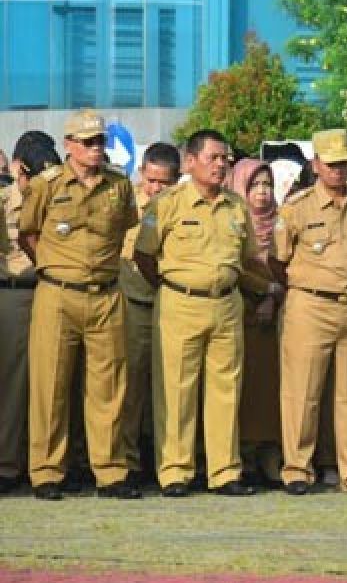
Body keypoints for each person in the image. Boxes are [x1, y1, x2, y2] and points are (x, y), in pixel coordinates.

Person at [18, 110, 140, 500]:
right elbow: (28, 235)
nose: (95, 149)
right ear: (68, 145)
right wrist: (56, 267)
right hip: (58, 294)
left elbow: (124, 229)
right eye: (87, 142)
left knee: (109, 388)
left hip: (105, 294)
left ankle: (110, 472)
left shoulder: (119, 187)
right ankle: (47, 472)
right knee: (50, 386)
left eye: (100, 141)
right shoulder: (47, 185)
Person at [133, 131, 260, 497]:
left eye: (226, 158)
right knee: (176, 389)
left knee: (226, 390)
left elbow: (249, 257)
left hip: (226, 303)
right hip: (180, 302)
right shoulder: (169, 204)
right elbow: (144, 255)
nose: (221, 165)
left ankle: (224, 472)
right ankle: (175, 471)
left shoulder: (236, 206)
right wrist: (172, 285)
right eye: (214, 157)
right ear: (190, 162)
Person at [270, 128, 347, 495]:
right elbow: (278, 260)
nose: (339, 171)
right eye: (332, 164)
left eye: (344, 164)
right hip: (310, 305)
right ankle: (297, 470)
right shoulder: (296, 208)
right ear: (316, 165)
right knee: (301, 392)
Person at [0, 133, 60, 494]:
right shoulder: (5, 200)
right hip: (16, 295)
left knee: (53, 385)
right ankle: (9, 464)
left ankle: (49, 463)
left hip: (54, 293)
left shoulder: (60, 198)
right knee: (14, 384)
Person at [118, 143, 181, 485]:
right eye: (151, 179)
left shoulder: (181, 207)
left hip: (172, 306)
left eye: (164, 182)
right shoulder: (125, 205)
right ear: (142, 172)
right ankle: (127, 462)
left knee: (171, 390)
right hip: (134, 304)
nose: (156, 188)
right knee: (131, 389)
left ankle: (167, 463)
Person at [228, 158, 286, 487]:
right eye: (254, 186)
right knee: (242, 388)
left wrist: (272, 297)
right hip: (238, 314)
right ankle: (243, 457)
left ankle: (270, 454)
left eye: (268, 185)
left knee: (271, 389)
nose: (262, 193)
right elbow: (231, 266)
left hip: (277, 318)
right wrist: (264, 289)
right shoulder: (232, 219)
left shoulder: (282, 223)